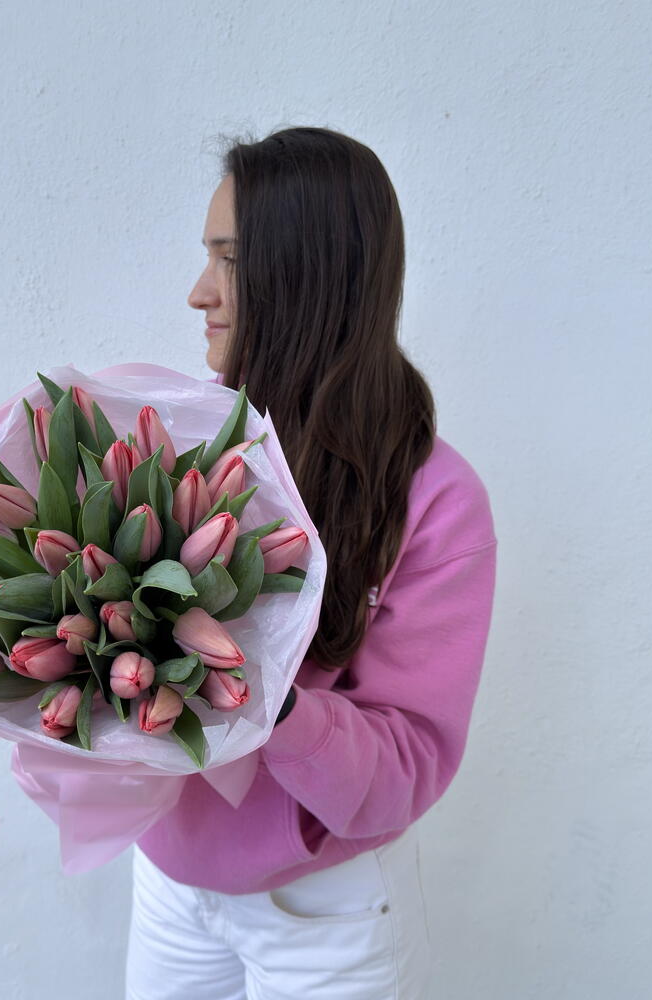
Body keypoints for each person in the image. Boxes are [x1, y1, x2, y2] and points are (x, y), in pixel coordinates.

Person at [124, 127, 497, 1000]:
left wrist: (266, 697)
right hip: (170, 882)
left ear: (306, 275)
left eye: (229, 260)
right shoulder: (180, 444)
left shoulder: (436, 500)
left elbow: (407, 766)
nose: (198, 293)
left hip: (322, 913)